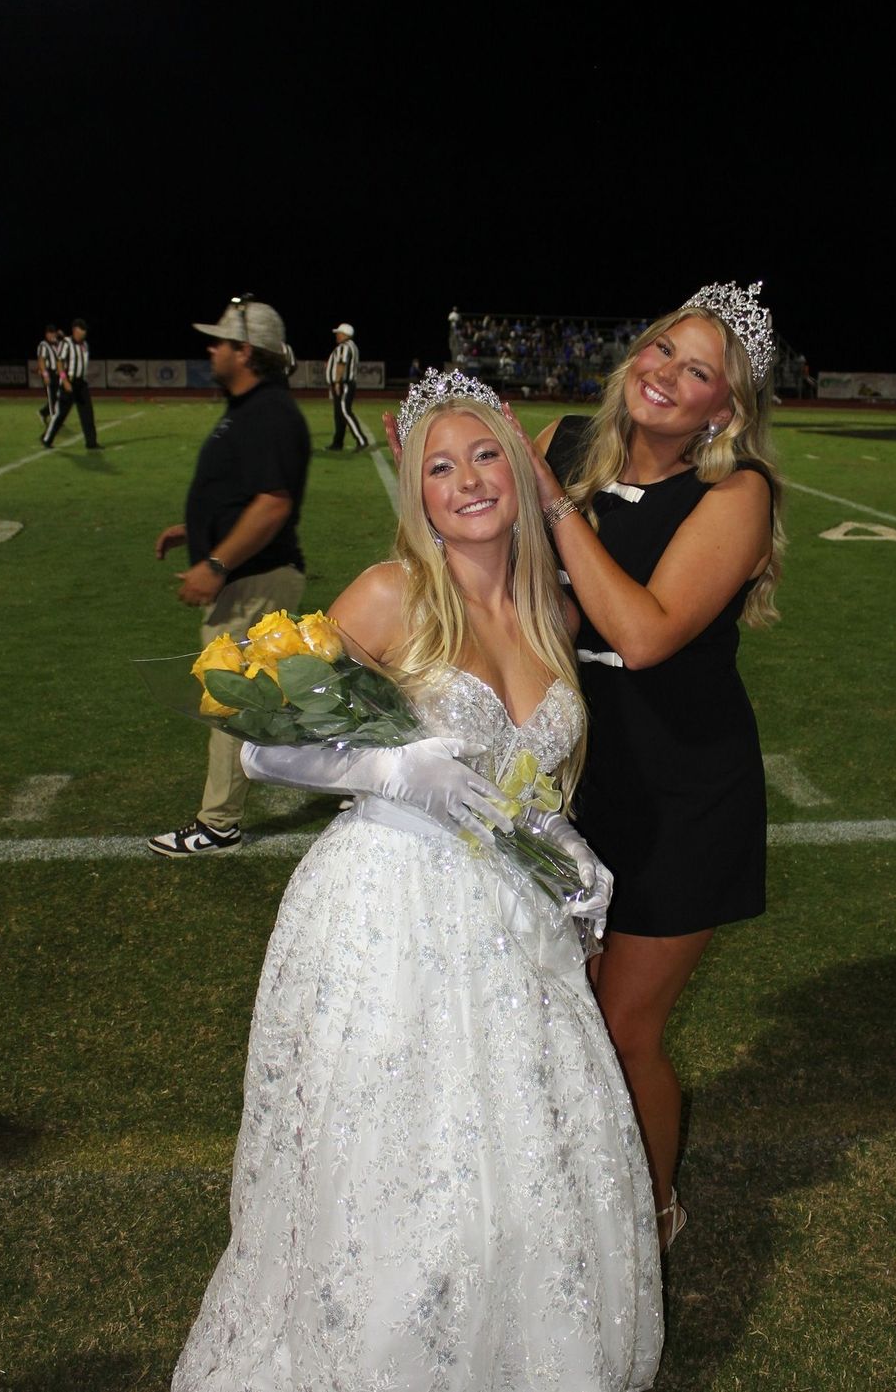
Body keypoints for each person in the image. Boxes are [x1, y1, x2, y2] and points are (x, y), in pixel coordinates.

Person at [171, 371, 662, 1391]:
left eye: (486, 455)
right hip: (387, 909)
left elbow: (526, 781)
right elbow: (260, 742)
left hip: (510, 928)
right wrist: (390, 769)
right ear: (417, 492)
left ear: (521, 475)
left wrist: (566, 851)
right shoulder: (391, 594)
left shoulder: (552, 612)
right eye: (439, 466)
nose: (467, 480)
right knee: (400, 1166)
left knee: (525, 1159)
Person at [515, 281, 784, 1251]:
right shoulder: (565, 442)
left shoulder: (735, 492)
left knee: (623, 1026)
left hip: (684, 790)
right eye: (661, 351)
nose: (666, 375)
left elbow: (647, 635)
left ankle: (650, 1213)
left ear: (728, 406)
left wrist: (553, 507)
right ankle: (574, 1193)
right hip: (575, 776)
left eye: (698, 371)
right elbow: (524, 605)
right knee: (556, 1015)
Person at [149, 296, 311, 857]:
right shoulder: (254, 409)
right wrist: (193, 531)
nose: (211, 348)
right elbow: (244, 495)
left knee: (232, 699)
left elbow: (271, 503)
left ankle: (218, 824)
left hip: (254, 581)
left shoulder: (267, 413)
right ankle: (361, 773)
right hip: (252, 576)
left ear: (247, 351)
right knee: (281, 693)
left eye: (221, 340)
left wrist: (217, 563)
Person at [40, 317, 98, 448]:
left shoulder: (85, 344)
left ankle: (91, 443)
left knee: (87, 413)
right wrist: (64, 380)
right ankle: (46, 439)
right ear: (74, 331)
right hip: (69, 382)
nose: (83, 334)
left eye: (84, 332)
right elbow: (60, 362)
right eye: (80, 332)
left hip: (81, 383)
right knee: (60, 415)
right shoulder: (66, 343)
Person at [324, 321, 371, 450]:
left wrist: (337, 381)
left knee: (345, 412)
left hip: (344, 384)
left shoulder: (344, 347)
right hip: (345, 384)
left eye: (338, 333)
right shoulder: (352, 346)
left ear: (344, 334)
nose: (337, 336)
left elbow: (341, 364)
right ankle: (337, 443)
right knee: (339, 414)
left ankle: (361, 440)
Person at [35, 323, 62, 425]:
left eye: (53, 333)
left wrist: (63, 376)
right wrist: (45, 375)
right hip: (48, 372)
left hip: (58, 373)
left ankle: (42, 413)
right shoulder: (43, 345)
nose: (52, 335)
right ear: (46, 334)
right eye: (50, 333)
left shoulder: (57, 343)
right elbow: (41, 361)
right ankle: (53, 418)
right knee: (52, 397)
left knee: (58, 397)